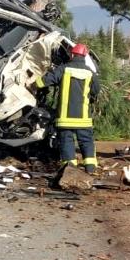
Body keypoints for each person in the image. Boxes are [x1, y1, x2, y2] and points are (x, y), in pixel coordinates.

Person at [41, 43, 100, 173]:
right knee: (86, 142)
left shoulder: (64, 69)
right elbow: (96, 91)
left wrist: (32, 84)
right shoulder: (90, 73)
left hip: (65, 118)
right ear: (85, 56)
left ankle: (69, 171)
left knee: (67, 141)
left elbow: (46, 81)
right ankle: (90, 169)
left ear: (72, 54)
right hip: (83, 118)